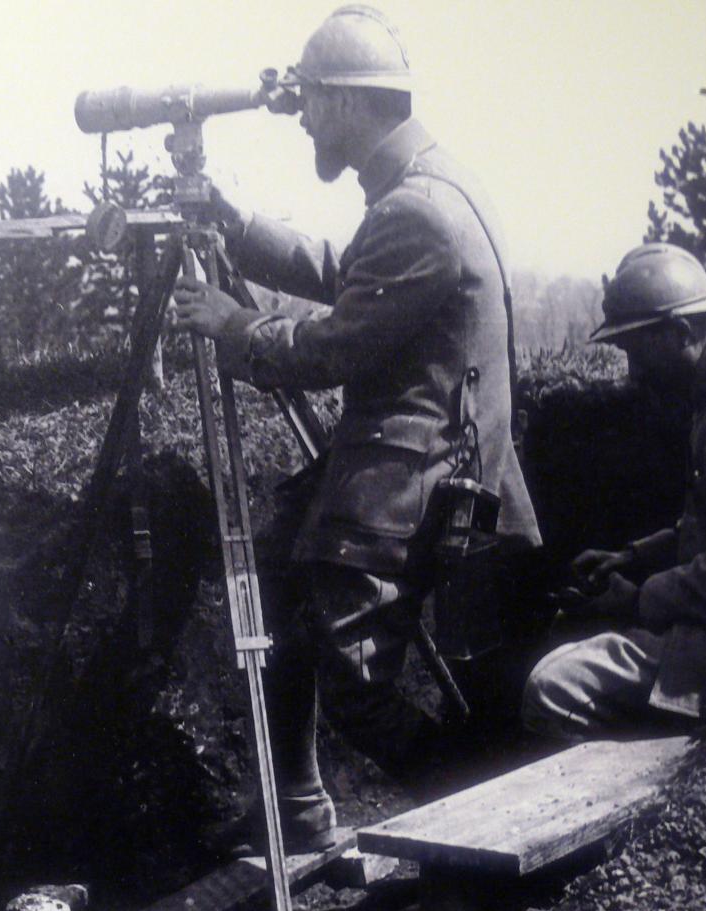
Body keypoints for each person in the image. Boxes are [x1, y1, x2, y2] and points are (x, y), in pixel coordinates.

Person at [172, 4, 541, 851]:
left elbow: (334, 343)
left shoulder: (418, 210)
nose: (302, 119)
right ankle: (298, 801)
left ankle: (483, 815)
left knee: (359, 688)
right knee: (274, 559)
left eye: (309, 102)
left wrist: (232, 325)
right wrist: (233, 223)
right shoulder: (428, 186)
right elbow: (356, 277)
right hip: (423, 455)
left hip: (423, 477)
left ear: (344, 104)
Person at [522, 243, 706, 740]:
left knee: (552, 689)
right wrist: (630, 556)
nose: (632, 373)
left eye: (637, 350)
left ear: (681, 332)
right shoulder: (702, 397)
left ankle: (660, 802)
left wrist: (636, 599)